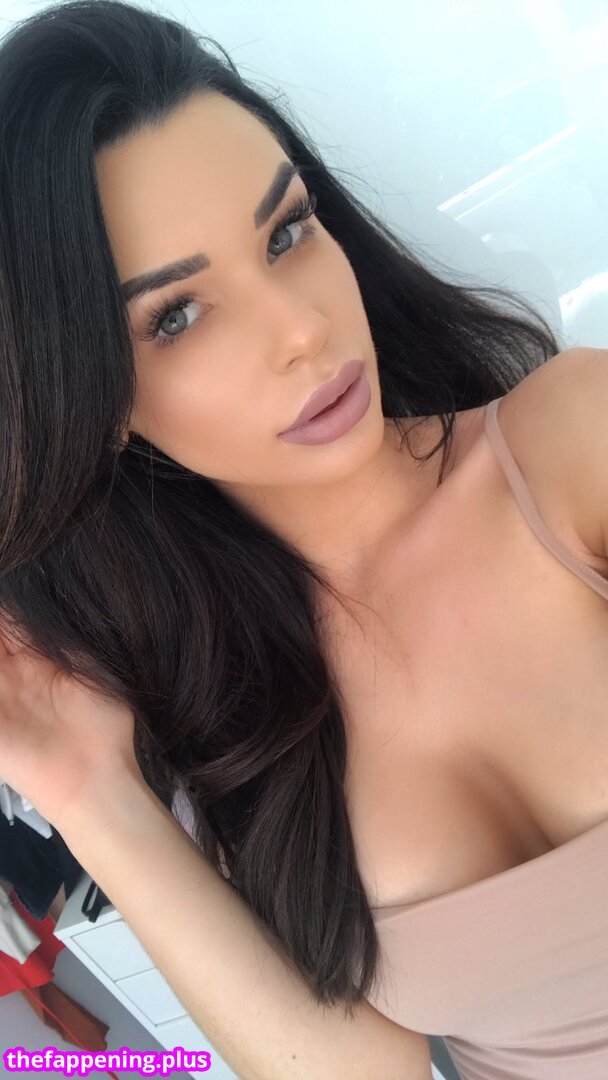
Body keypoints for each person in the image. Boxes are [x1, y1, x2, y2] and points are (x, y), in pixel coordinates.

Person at [0, 1, 606, 1077]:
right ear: (92, 402)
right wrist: (88, 792)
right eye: (176, 315)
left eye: (285, 232)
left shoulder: (571, 448)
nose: (302, 329)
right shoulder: (215, 714)